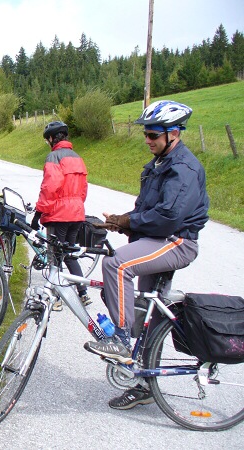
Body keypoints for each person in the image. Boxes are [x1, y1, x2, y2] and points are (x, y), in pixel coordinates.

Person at [84, 100, 209, 409]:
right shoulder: (158, 165)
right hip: (158, 238)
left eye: (153, 134)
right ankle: (143, 382)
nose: (147, 140)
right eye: (146, 134)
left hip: (177, 241)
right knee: (145, 310)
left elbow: (168, 216)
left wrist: (130, 222)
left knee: (116, 265)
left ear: (174, 133)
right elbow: (145, 210)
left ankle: (121, 340)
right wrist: (121, 221)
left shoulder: (183, 168)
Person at [31, 120, 90, 311]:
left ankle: (55, 298)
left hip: (59, 215)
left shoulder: (54, 157)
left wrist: (38, 213)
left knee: (55, 256)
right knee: (70, 254)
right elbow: (83, 190)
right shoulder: (77, 158)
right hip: (76, 213)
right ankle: (83, 293)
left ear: (51, 138)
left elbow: (50, 187)